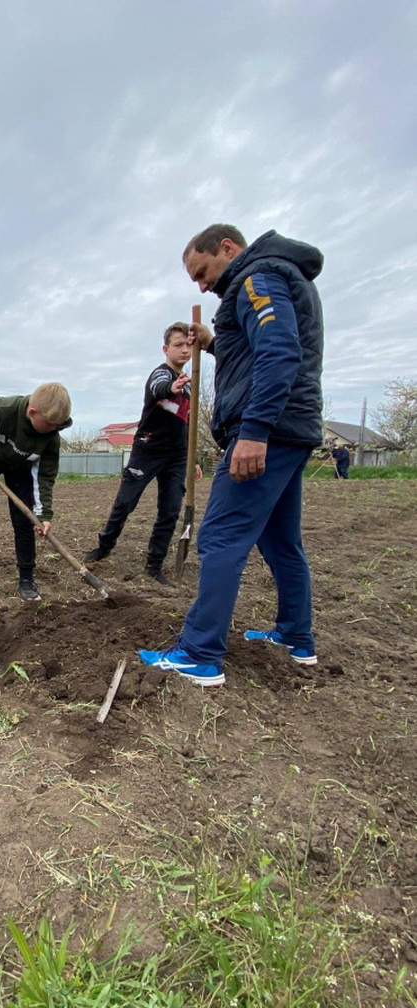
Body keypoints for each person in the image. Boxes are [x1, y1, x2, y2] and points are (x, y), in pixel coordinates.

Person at [140, 224, 324, 686]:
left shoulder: (257, 278)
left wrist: (255, 431)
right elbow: (256, 349)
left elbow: (280, 352)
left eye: (202, 272)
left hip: (269, 429)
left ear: (228, 248)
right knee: (280, 539)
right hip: (292, 428)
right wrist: (216, 343)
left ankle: (199, 654)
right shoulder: (274, 277)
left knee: (221, 535)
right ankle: (295, 636)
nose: (202, 285)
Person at [83, 323, 200, 585]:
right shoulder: (160, 376)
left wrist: (193, 459)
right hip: (147, 451)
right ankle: (105, 545)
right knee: (125, 503)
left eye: (188, 345)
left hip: (177, 456)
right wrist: (172, 388)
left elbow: (188, 424)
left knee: (170, 510)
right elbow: (160, 388)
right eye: (178, 344)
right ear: (166, 349)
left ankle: (154, 565)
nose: (184, 349)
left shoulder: (190, 387)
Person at [0, 383, 72, 602]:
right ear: (32, 412)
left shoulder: (51, 436)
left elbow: (45, 477)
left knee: (24, 520)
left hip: (19, 469)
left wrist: (44, 515)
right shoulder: (3, 409)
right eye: (49, 424)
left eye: (57, 426)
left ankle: (27, 579)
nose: (53, 429)